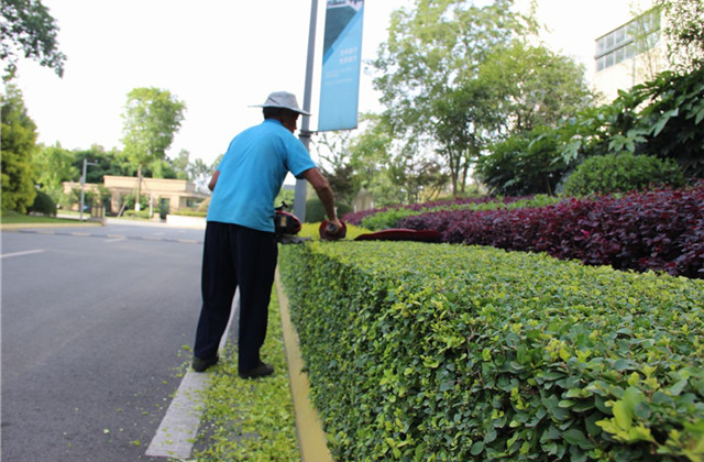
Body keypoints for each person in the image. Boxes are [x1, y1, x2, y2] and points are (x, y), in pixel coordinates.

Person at [192, 91, 343, 379]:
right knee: (254, 295)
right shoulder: (286, 139)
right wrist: (332, 218)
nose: (297, 125)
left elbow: (214, 183)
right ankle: (249, 364)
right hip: (252, 228)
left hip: (217, 221)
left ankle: (203, 354)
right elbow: (321, 185)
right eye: (296, 118)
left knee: (216, 292)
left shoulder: (241, 137)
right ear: (287, 117)